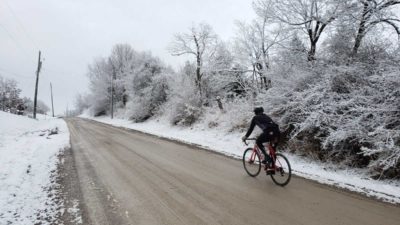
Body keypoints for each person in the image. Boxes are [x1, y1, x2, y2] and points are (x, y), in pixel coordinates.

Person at [242, 107, 280, 174]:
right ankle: (272, 167)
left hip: (268, 132)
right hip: (277, 132)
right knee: (273, 150)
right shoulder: (266, 116)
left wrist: (245, 137)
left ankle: (267, 157)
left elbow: (251, 129)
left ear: (255, 112)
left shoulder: (255, 118)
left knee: (258, 141)